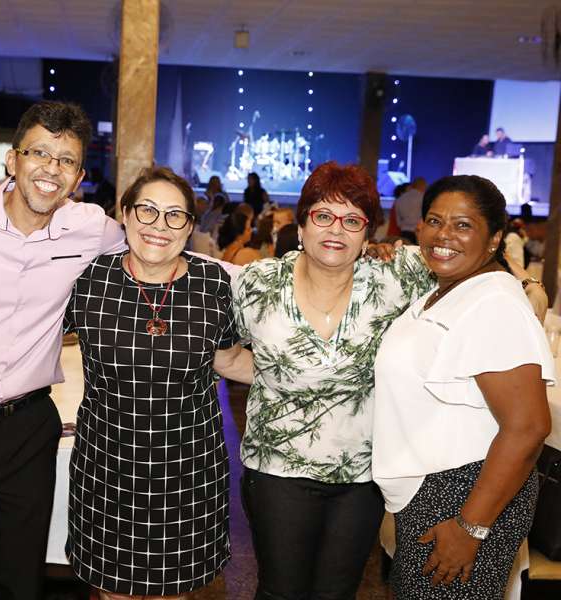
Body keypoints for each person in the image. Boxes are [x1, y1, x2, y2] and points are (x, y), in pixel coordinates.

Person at [229, 161, 548, 600]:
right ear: (300, 224)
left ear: (368, 234)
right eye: (323, 216)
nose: (335, 229)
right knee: (280, 591)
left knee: (338, 593)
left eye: (353, 220)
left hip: (365, 475)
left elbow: (484, 272)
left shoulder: (394, 276)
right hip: (280, 468)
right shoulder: (259, 283)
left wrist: (528, 284)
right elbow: (219, 343)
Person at [0, 101, 126, 600]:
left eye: (67, 160)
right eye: (39, 153)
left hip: (29, 428)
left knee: (21, 579)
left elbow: (156, 248)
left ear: (78, 175)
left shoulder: (92, 228)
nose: (51, 170)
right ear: (12, 161)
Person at [65, 166, 251, 600]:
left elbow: (229, 359)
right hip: (107, 472)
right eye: (147, 211)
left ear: (189, 226)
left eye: (174, 215)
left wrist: (311, 374)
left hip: (187, 474)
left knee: (174, 593)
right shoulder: (89, 280)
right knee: (114, 593)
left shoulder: (212, 284)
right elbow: (25, 328)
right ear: (125, 215)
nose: (159, 226)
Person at [372, 175, 555, 599]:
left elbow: (528, 427)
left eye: (463, 225)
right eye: (435, 220)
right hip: (434, 492)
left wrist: (470, 527)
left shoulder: (493, 303)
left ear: (494, 239)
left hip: (465, 496)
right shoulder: (450, 291)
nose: (444, 235)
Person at [395, 177, 427, 243]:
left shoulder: (400, 198)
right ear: (422, 186)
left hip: (404, 232)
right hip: (418, 233)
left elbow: (398, 221)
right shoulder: (424, 198)